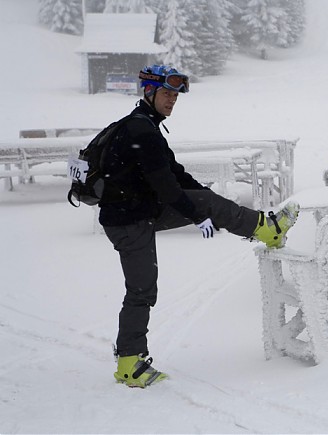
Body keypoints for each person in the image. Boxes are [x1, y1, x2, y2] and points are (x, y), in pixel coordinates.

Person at [100, 64, 298, 388]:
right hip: (128, 220)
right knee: (142, 288)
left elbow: (175, 174)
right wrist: (197, 213)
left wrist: (206, 200)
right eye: (167, 94)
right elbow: (165, 185)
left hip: (138, 212)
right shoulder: (141, 131)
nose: (172, 101)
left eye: (175, 96)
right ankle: (129, 363)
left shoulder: (146, 127)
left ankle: (265, 227)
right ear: (149, 92)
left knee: (205, 204)